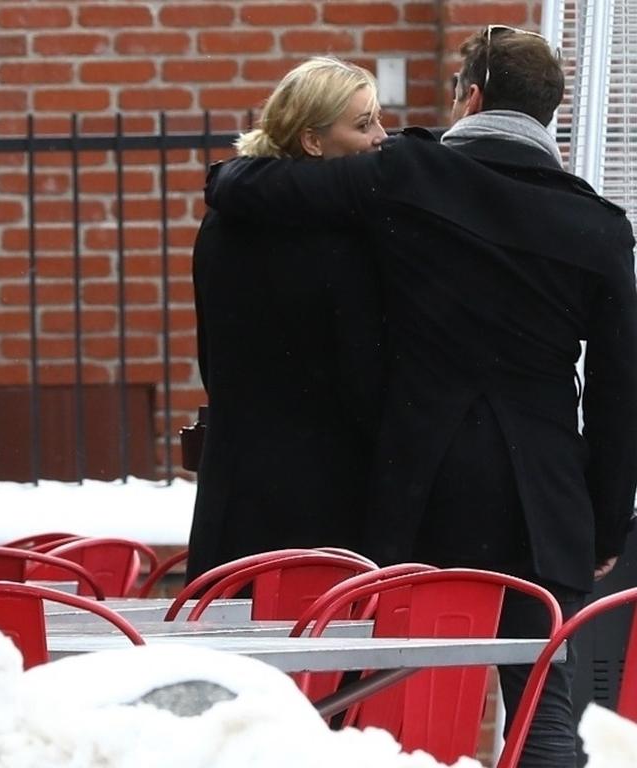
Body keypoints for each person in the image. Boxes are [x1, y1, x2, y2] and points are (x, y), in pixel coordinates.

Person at [205, 27, 637, 766]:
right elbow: (619, 390)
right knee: (541, 697)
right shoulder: (598, 227)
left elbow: (261, 186)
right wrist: (601, 524)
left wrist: (226, 176)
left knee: (388, 691)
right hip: (542, 491)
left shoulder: (410, 174)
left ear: (468, 96)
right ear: (552, 115)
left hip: (421, 481)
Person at [185, 57, 388, 582]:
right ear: (313, 141)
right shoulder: (345, 237)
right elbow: (363, 370)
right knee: (325, 651)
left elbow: (214, 351)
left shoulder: (223, 223)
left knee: (242, 654)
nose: (380, 138)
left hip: (238, 478)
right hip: (330, 487)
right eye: (363, 124)